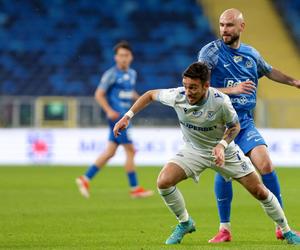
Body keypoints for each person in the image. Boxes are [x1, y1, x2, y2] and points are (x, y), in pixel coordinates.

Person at [113, 62, 300, 245]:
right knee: (163, 182)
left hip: (224, 152)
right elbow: (150, 95)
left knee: (259, 191)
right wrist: (127, 117)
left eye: (193, 88)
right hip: (193, 150)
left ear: (206, 86)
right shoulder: (177, 95)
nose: (188, 92)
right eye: (186, 86)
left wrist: (221, 145)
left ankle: (286, 230)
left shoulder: (220, 101)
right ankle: (185, 223)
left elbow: (235, 126)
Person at [198, 8, 300, 243]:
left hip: (244, 121)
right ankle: (224, 229)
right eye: (222, 25)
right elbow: (197, 88)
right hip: (220, 124)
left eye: (230, 25)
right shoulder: (210, 53)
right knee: (224, 173)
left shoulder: (250, 54)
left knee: (265, 163)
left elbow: (269, 70)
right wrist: (231, 90)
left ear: (241, 27)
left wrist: (293, 81)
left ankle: (281, 225)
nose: (224, 29)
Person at [76, 41, 153, 199]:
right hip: (117, 117)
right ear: (115, 58)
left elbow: (128, 92)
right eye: (120, 55)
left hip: (125, 116)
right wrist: (109, 110)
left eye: (126, 55)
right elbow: (99, 94)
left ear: (131, 57)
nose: (123, 58)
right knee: (130, 150)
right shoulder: (111, 74)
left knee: (110, 152)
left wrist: (139, 99)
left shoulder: (132, 73)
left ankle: (85, 178)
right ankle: (134, 188)